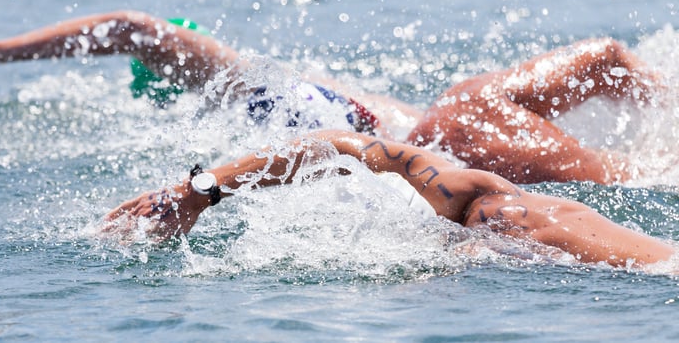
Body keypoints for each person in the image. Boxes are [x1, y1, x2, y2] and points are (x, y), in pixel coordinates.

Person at [0, 10, 662, 184]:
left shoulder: (242, 81)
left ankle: (665, 131)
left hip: (443, 123)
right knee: (460, 114)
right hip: (436, 139)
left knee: (606, 56)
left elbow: (127, 26)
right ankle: (648, 177)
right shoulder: (246, 116)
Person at [104, 129, 676, 269]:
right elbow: (341, 145)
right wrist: (203, 190)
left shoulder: (481, 202)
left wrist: (203, 191)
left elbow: (345, 147)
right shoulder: (477, 202)